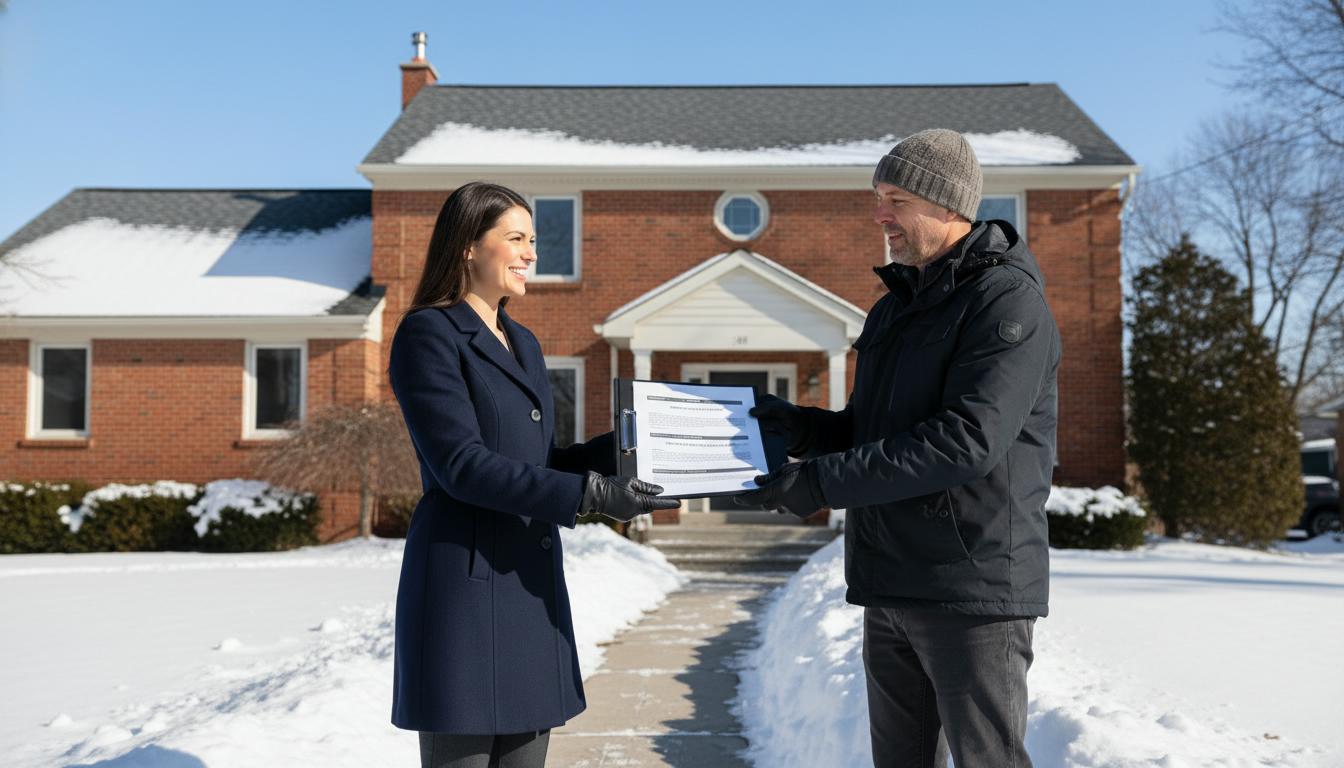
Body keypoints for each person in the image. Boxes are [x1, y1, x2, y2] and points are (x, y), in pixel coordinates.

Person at [738, 129, 1060, 767]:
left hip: (971, 589)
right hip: (891, 582)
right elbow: (871, 430)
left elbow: (965, 442)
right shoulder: (895, 308)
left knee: (987, 761)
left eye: (897, 199)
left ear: (948, 206)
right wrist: (798, 427)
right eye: (878, 197)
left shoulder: (1004, 302)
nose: (880, 214)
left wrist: (818, 485)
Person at [387, 181, 680, 768]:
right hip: (464, 591)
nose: (532, 253)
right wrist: (592, 496)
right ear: (469, 246)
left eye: (533, 240)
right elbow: (461, 465)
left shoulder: (523, 342)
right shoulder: (429, 335)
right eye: (515, 238)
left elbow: (541, 463)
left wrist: (628, 449)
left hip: (528, 585)